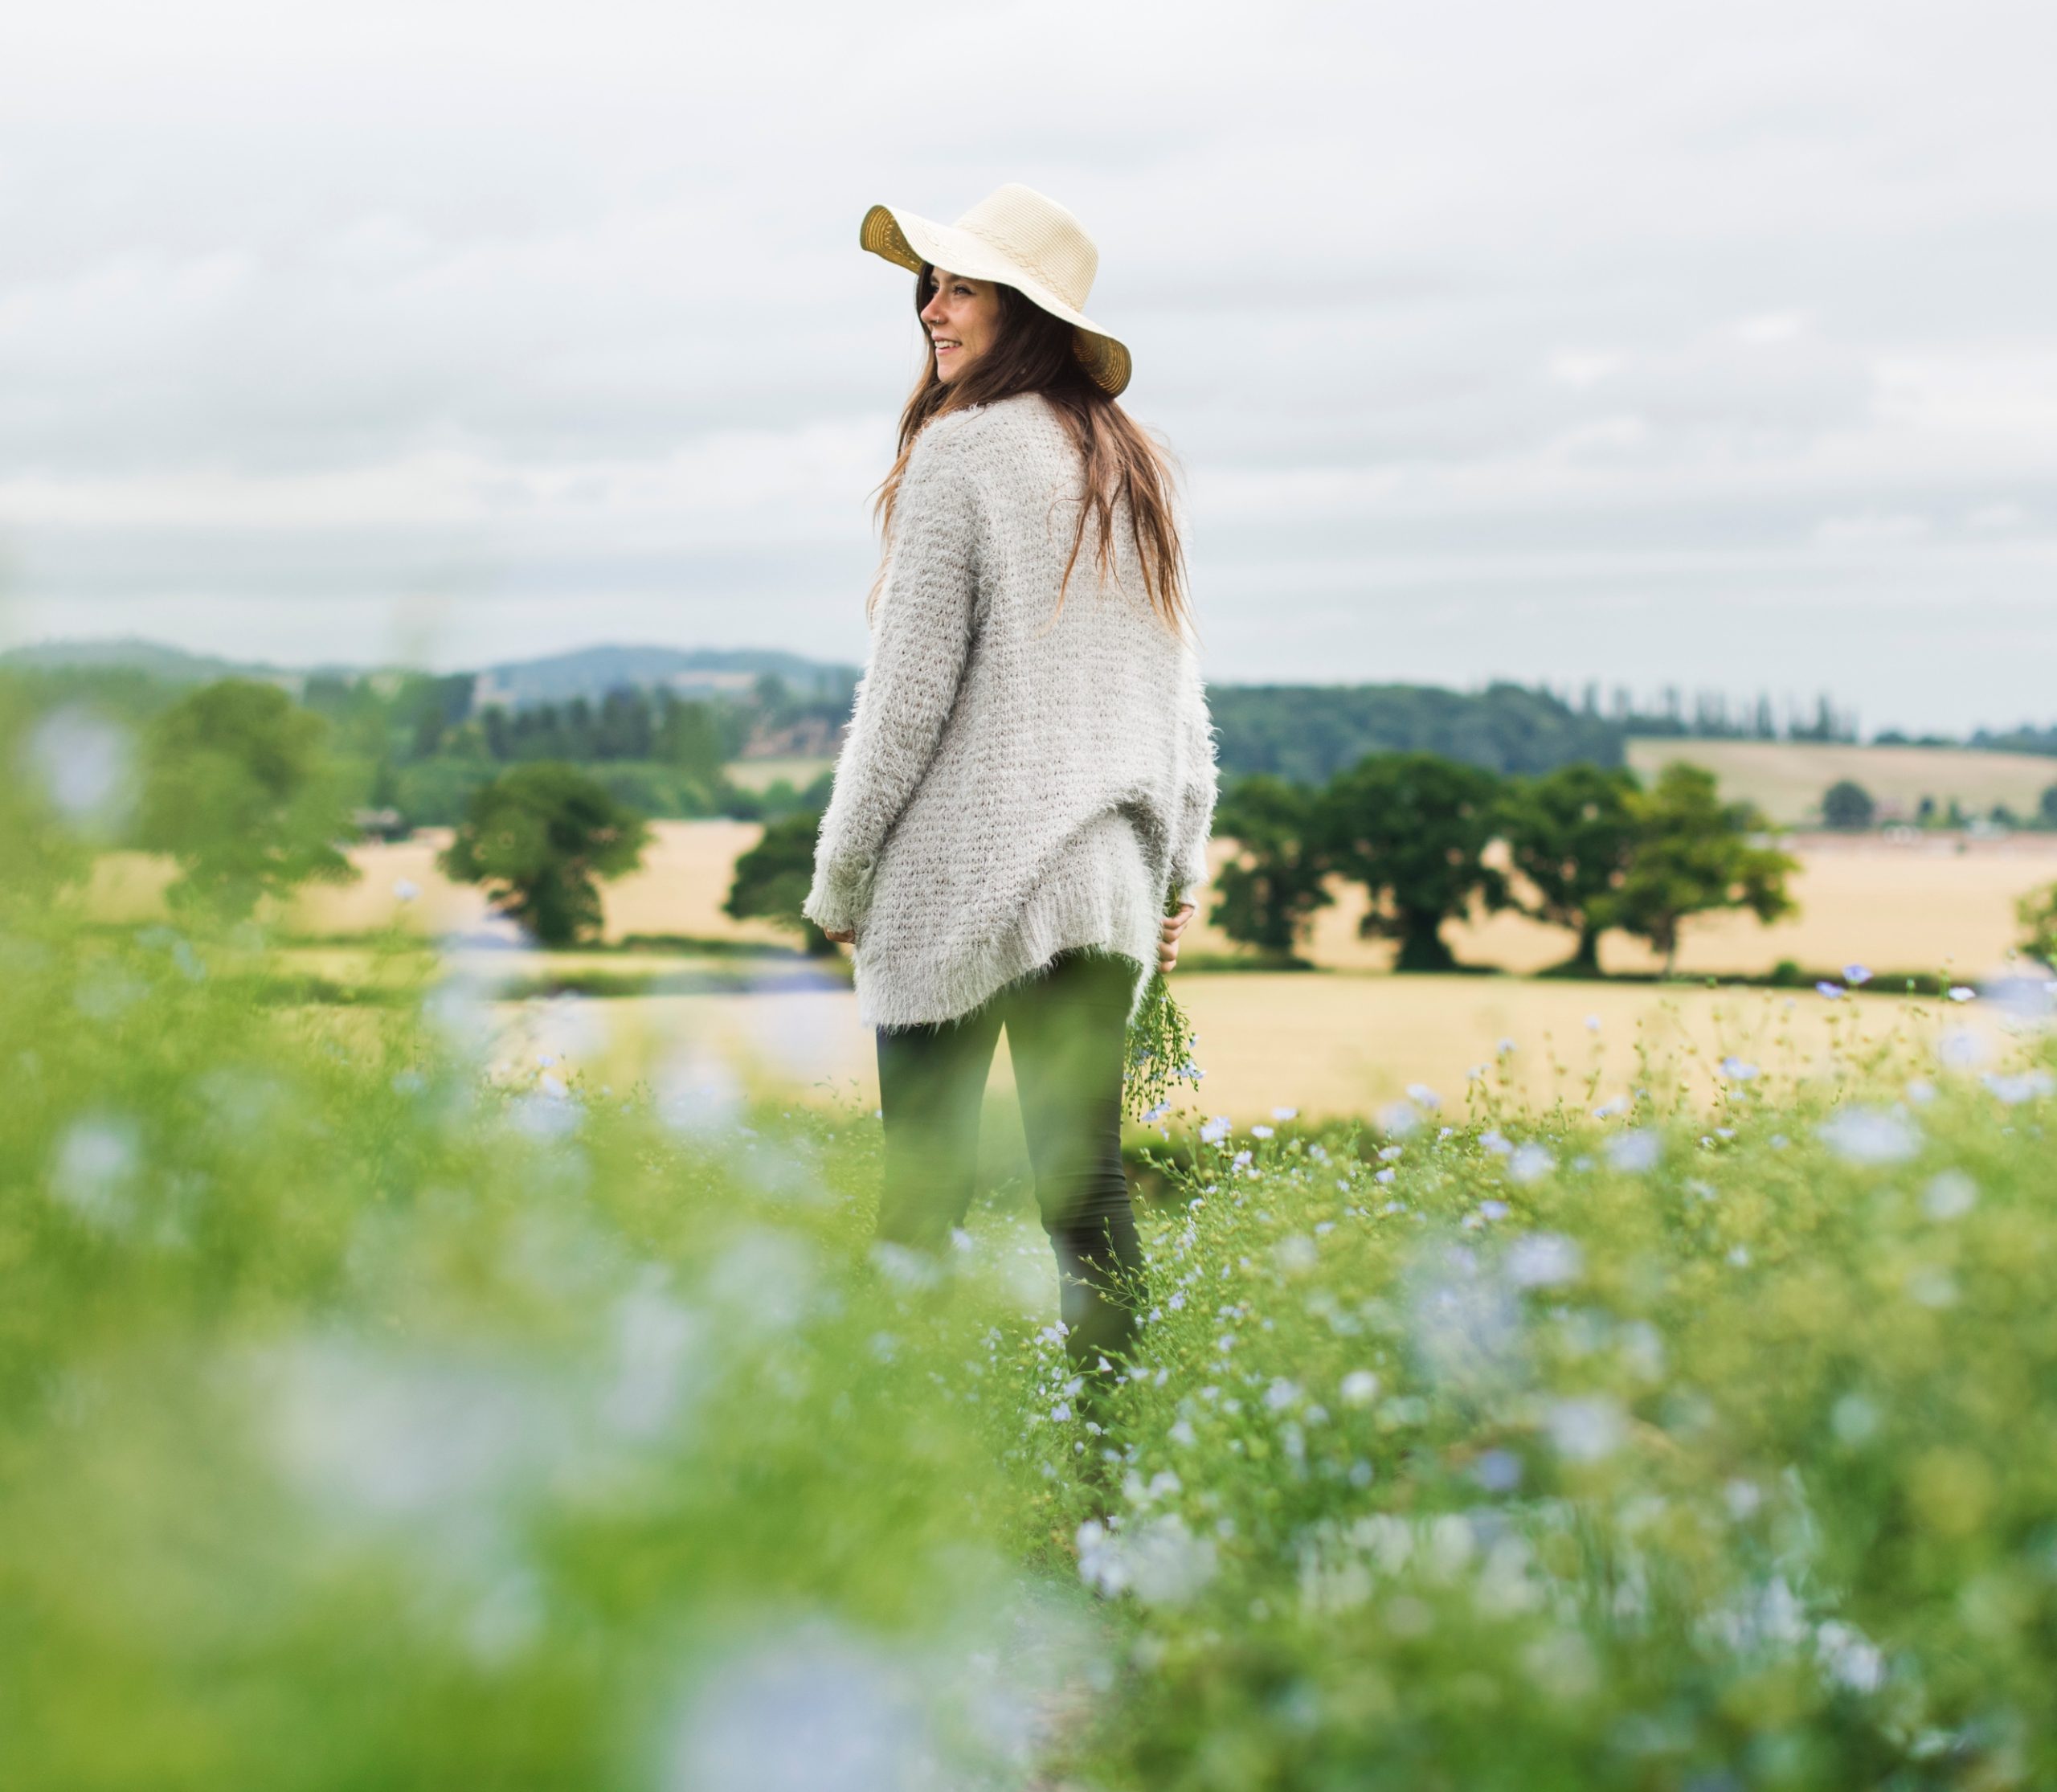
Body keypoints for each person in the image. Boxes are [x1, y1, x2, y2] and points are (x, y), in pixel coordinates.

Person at [802, 182, 1219, 1402]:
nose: (932, 306)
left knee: (921, 1200)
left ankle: (888, 1472)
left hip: (961, 876)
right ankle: (1110, 1478)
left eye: (961, 285)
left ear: (1023, 313)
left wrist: (842, 873)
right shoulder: (1125, 463)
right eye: (926, 284)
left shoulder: (963, 452)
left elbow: (907, 697)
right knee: (1083, 1197)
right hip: (1098, 888)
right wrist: (1176, 875)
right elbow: (1175, 699)